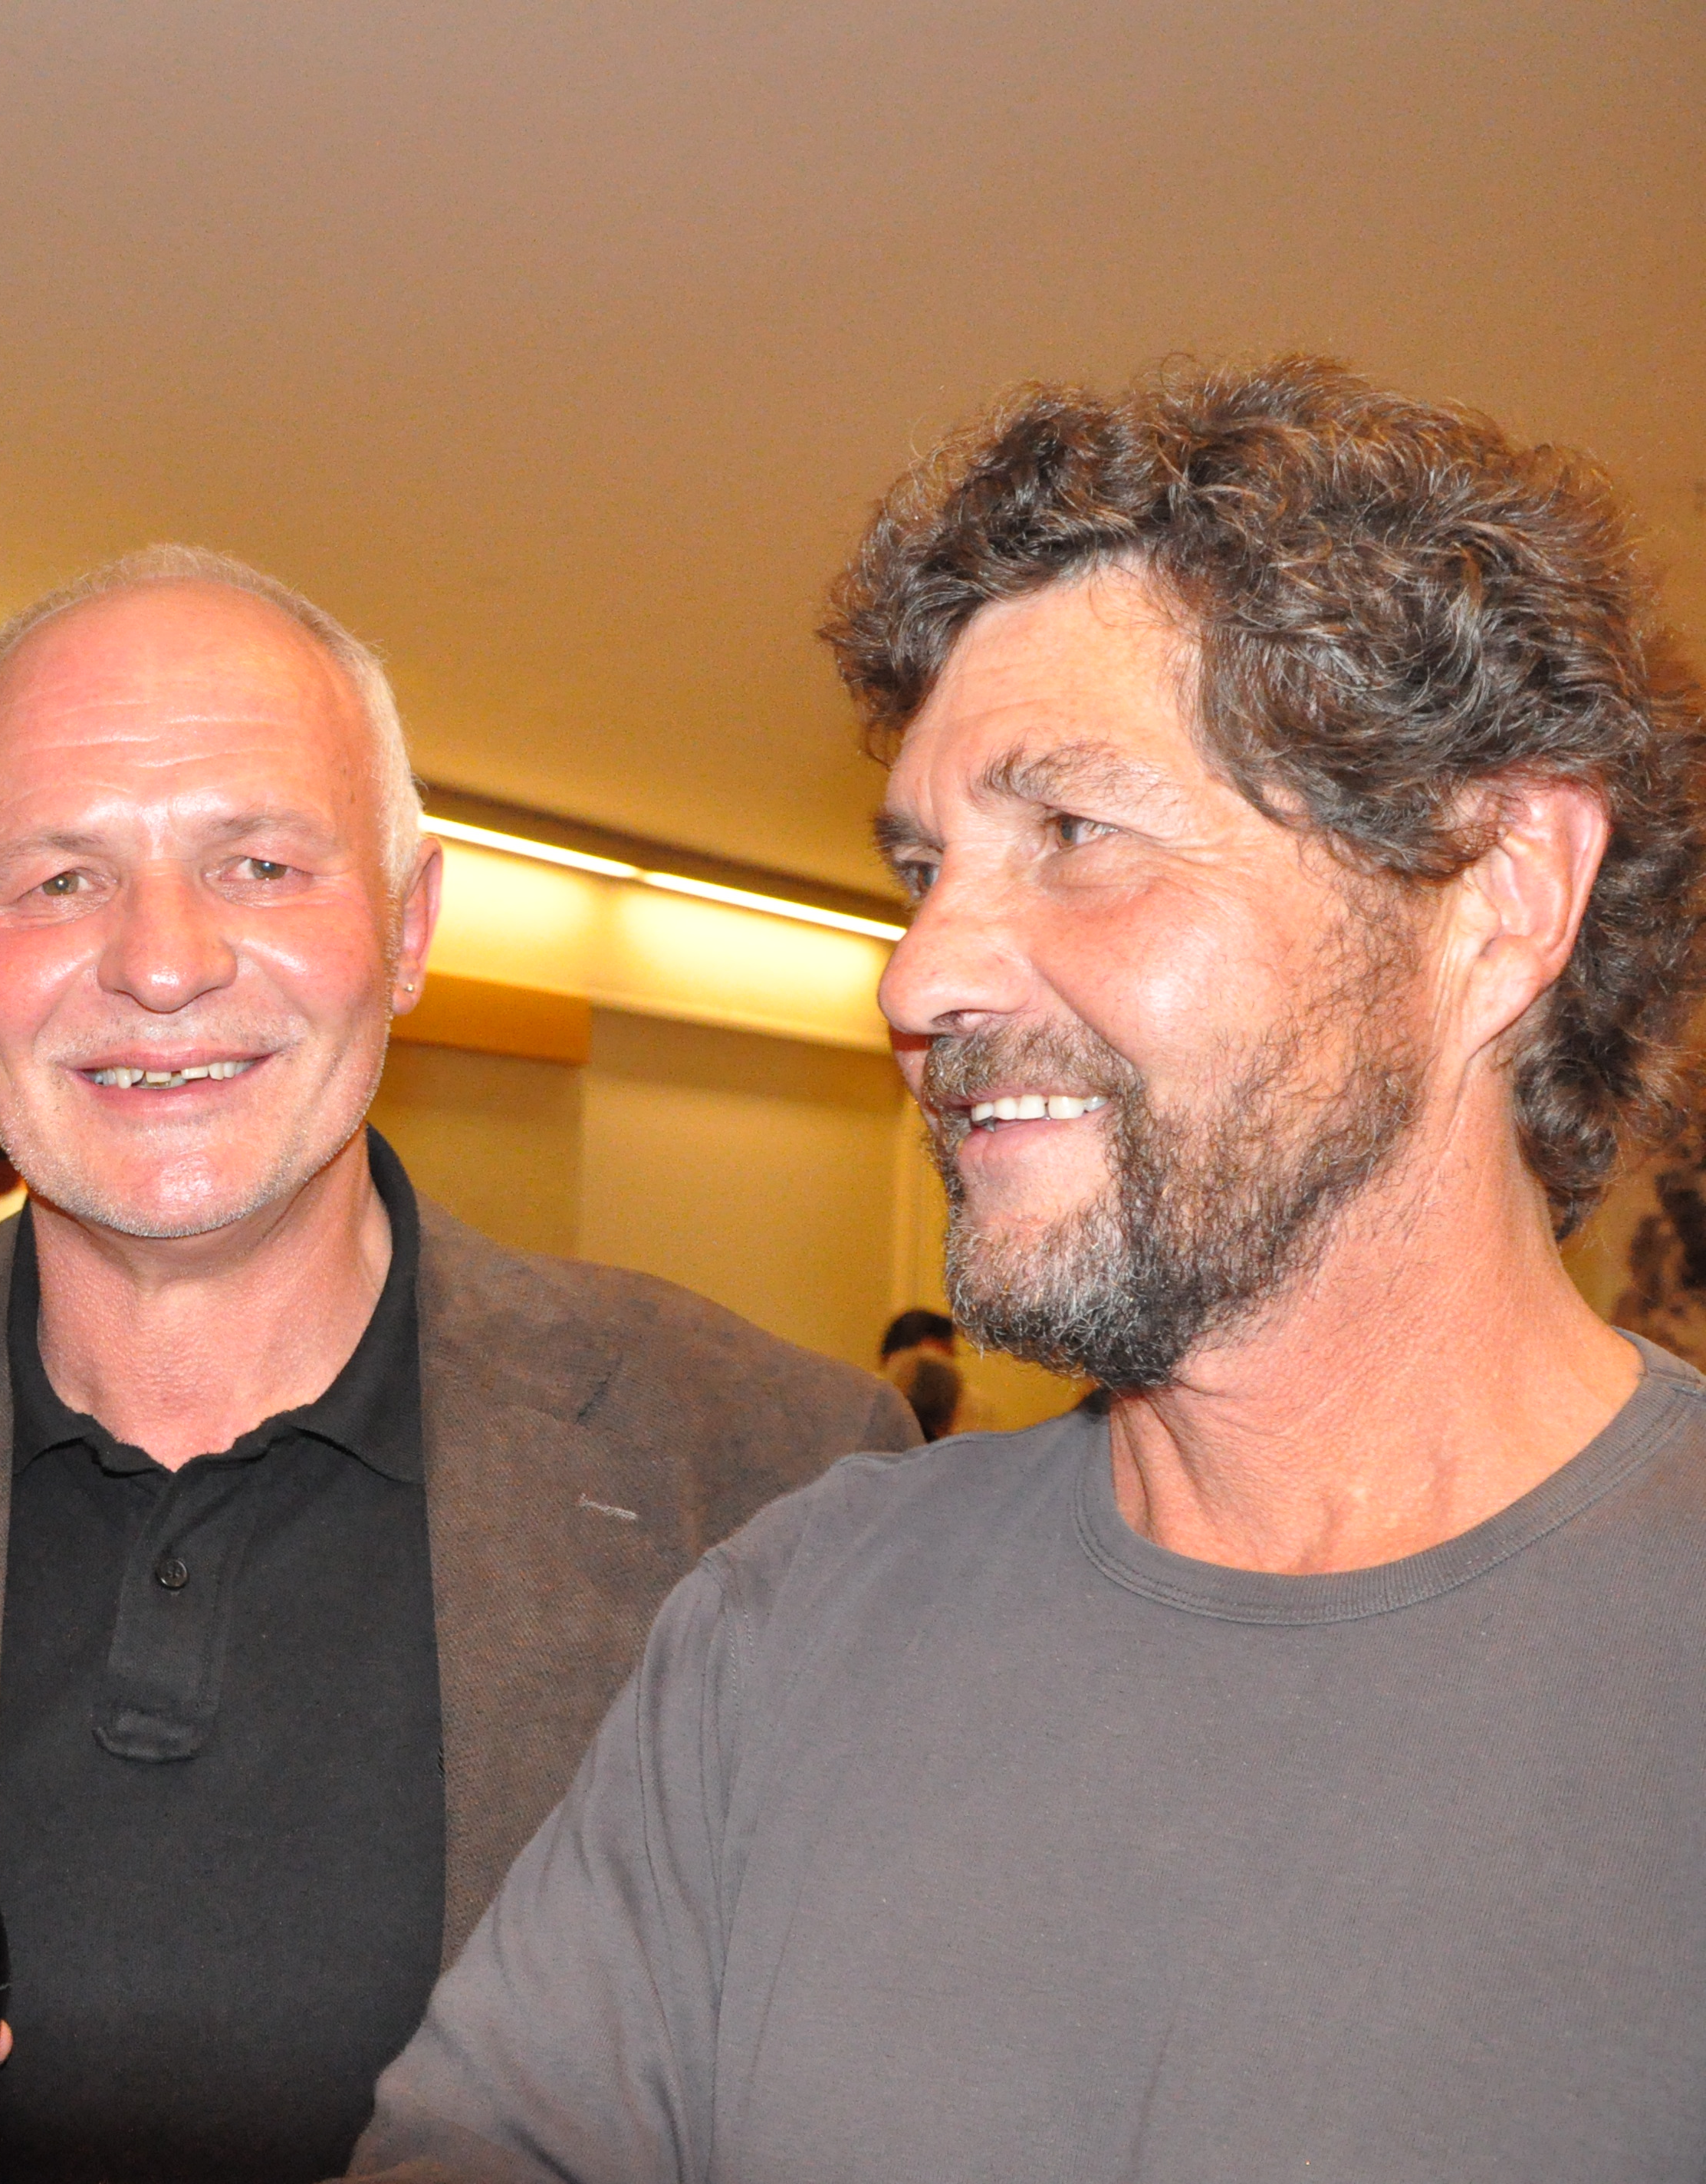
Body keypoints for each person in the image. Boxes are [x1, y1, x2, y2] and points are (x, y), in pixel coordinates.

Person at [353, 358, 1706, 2182]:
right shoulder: (795, 1613)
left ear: (1495, 887)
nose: (914, 976)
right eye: (922, 866)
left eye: (1071, 831)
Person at [0, 547, 915, 2184]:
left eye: (262, 863)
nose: (160, 961)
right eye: (57, 879)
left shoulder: (774, 1474)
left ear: (408, 927)